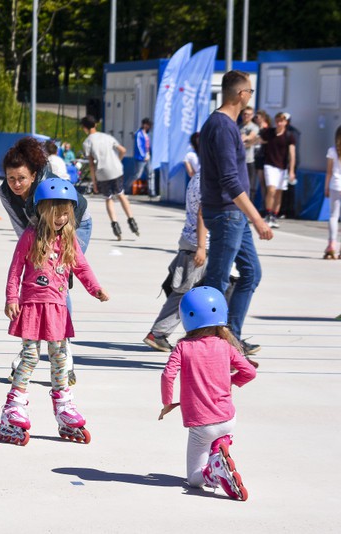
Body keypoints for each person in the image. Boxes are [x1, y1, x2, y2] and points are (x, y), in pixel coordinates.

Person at [0, 178, 109, 446]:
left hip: (57, 309)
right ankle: (14, 406)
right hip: (32, 307)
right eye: (57, 213)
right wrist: (11, 298)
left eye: (66, 213)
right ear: (42, 210)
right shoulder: (30, 236)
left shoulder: (68, 240)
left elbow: (82, 267)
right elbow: (14, 270)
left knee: (60, 358)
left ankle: (64, 405)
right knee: (30, 357)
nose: (62, 218)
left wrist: (95, 289)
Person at [0, 137, 94, 386]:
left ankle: (64, 353)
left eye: (21, 178)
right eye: (11, 179)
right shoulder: (5, 193)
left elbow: (66, 216)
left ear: (32, 175)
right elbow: (22, 227)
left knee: (56, 278)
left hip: (73, 222)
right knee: (39, 279)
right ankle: (29, 350)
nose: (16, 184)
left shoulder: (46, 185)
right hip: (37, 230)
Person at [199, 70, 273, 357]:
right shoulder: (221, 126)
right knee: (215, 283)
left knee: (251, 273)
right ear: (241, 94)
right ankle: (206, 346)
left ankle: (232, 340)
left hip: (233, 215)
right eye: (250, 92)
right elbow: (230, 181)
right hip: (228, 214)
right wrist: (257, 219)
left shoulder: (223, 126)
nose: (250, 96)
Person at [159, 286, 257, 501]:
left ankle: (213, 470)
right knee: (218, 432)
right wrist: (231, 381)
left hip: (202, 426)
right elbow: (249, 372)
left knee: (194, 480)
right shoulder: (226, 345)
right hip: (228, 419)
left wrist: (167, 403)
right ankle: (222, 445)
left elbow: (168, 376)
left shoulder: (183, 347)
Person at [143, 133, 209, 353]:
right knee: (185, 292)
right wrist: (201, 246)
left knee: (188, 290)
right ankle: (159, 333)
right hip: (198, 242)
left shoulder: (199, 176)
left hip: (193, 240)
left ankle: (164, 333)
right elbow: (203, 213)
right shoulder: (207, 179)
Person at [81, 115, 139, 240]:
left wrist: (94, 182)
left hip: (102, 172)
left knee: (108, 198)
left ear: (84, 128)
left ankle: (115, 226)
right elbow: (122, 150)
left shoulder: (87, 142)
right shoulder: (106, 137)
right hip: (116, 169)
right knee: (121, 194)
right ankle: (132, 221)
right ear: (95, 125)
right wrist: (117, 160)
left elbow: (91, 164)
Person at [259, 112, 296, 227]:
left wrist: (291, 171)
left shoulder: (289, 136)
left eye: (282, 121)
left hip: (283, 168)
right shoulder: (269, 132)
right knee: (271, 190)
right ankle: (268, 214)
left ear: (286, 122)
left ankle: (274, 216)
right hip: (269, 165)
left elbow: (292, 154)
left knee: (279, 193)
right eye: (278, 120)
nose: (279, 123)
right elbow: (259, 139)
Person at [323, 125, 341, 259]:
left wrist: (326, 187)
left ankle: (332, 243)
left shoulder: (332, 151)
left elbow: (329, 172)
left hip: (335, 184)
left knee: (333, 216)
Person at [239, 106, 259, 197]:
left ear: (252, 116)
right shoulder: (238, 126)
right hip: (238, 160)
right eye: (244, 114)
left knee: (250, 186)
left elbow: (252, 136)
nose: (246, 116)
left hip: (249, 160)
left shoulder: (254, 127)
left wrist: (244, 138)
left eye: (248, 114)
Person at [133, 117, 154, 197]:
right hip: (141, 158)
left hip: (148, 156)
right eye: (147, 124)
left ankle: (151, 191)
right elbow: (139, 146)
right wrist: (143, 155)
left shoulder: (148, 134)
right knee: (137, 174)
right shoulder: (138, 133)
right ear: (144, 124)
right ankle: (125, 188)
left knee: (151, 174)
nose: (148, 126)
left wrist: (150, 154)